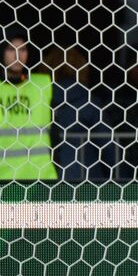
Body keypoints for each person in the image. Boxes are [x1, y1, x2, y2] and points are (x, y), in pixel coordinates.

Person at [0, 30, 58, 181]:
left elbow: (55, 136)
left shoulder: (42, 86)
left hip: (41, 182)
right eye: (11, 49)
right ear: (0, 51)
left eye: (23, 49)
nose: (18, 55)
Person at [45, 47, 115, 183]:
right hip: (89, 180)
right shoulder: (89, 103)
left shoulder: (42, 102)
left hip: (50, 180)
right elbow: (108, 147)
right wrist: (123, 180)